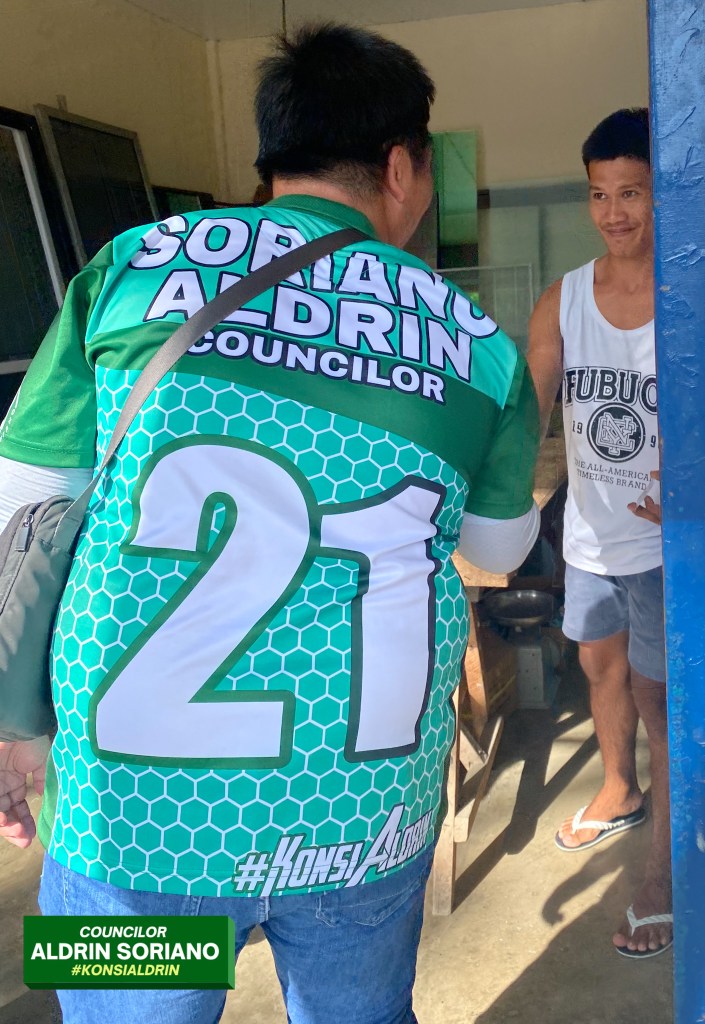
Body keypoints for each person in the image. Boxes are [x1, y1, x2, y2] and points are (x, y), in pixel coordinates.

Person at [0, 23, 541, 1023]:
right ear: (400, 166)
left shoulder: (129, 269)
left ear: (273, 155)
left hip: (134, 816)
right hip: (362, 812)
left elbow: (22, 503)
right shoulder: (475, 340)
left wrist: (12, 718)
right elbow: (498, 550)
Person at [528, 108, 671, 959]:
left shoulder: (687, 295)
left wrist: (688, 491)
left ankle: (663, 870)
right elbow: (529, 414)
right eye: (598, 194)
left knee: (660, 700)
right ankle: (620, 791)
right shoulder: (565, 299)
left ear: (664, 192)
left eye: (631, 193)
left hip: (662, 549)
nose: (613, 213)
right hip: (589, 536)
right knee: (600, 671)